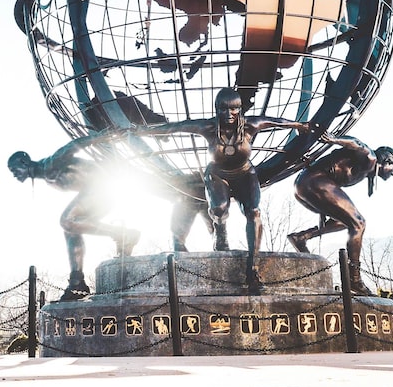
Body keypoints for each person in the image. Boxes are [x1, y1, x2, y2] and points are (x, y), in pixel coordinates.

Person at [128, 87, 312, 294]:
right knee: (218, 209)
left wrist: (300, 125)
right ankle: (220, 232)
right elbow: (175, 127)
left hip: (245, 174)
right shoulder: (208, 127)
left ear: (240, 109)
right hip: (217, 173)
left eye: (234, 109)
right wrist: (140, 131)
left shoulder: (251, 125)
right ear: (216, 110)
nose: (228, 114)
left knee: (254, 212)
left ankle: (252, 269)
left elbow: (275, 121)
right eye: (223, 109)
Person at [8, 137, 210, 301]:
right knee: (71, 228)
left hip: (102, 187)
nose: (15, 176)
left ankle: (125, 234)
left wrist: (103, 136)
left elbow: (74, 144)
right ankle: (77, 282)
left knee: (67, 220)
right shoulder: (46, 175)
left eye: (14, 170)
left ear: (24, 162)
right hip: (100, 193)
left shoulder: (50, 164)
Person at [287, 133, 393, 295]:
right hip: (314, 181)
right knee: (359, 223)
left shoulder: (366, 169)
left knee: (344, 222)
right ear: (386, 162)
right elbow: (357, 144)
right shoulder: (371, 159)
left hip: (303, 186)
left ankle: (302, 237)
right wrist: (334, 139)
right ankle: (354, 279)